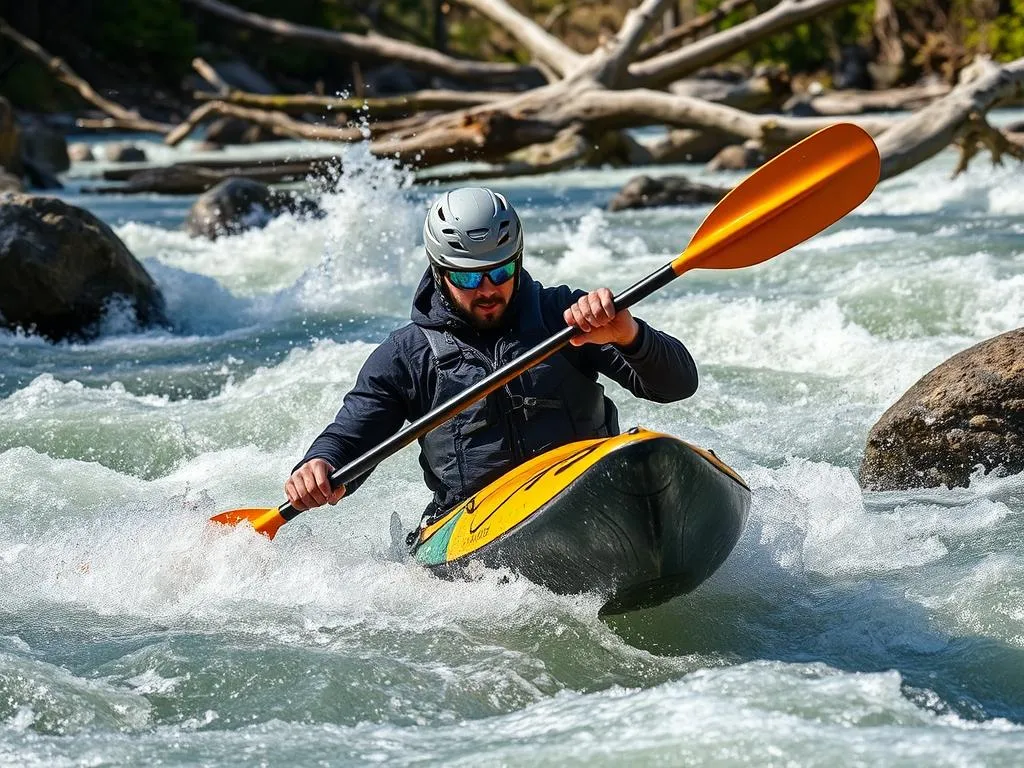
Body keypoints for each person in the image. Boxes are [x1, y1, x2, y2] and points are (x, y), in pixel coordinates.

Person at [285, 187, 699, 533]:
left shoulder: (566, 317)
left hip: (585, 490)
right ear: (439, 272)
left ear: (517, 261)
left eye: (500, 272)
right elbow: (351, 435)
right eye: (467, 277)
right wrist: (319, 464)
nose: (487, 289)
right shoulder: (406, 357)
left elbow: (679, 385)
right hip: (476, 526)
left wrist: (630, 335)